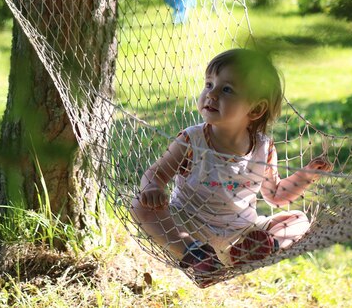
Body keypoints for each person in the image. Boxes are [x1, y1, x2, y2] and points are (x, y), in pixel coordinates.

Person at [130, 48, 332, 280]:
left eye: (226, 89)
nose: (211, 94)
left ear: (255, 109)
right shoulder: (191, 139)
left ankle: (257, 250)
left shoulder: (263, 148)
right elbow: (157, 172)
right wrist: (153, 187)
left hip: (240, 236)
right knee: (139, 205)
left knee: (299, 221)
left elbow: (276, 195)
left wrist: (304, 176)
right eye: (208, 84)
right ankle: (193, 256)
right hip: (187, 225)